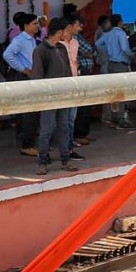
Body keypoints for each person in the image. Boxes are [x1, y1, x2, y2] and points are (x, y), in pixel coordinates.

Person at [31, 18, 79, 175]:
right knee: (47, 129)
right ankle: (42, 161)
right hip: (49, 97)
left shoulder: (61, 48)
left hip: (63, 95)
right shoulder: (40, 51)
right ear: (59, 32)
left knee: (64, 127)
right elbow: (37, 76)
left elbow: (67, 71)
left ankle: (65, 158)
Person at [4, 13, 40, 156]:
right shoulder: (20, 40)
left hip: (31, 76)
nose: (37, 26)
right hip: (24, 77)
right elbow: (7, 55)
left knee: (31, 112)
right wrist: (22, 69)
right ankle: (27, 144)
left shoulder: (32, 39)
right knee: (28, 112)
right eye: (34, 23)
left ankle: (28, 141)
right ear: (26, 26)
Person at [96, 14, 134, 129]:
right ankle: (121, 120)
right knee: (121, 93)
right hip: (120, 64)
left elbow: (98, 44)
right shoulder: (120, 33)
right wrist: (132, 56)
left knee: (114, 93)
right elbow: (125, 48)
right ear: (120, 22)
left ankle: (114, 118)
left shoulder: (107, 34)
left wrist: (108, 51)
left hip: (111, 64)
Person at [60, 15, 86, 162]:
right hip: (63, 85)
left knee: (71, 119)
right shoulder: (58, 44)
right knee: (62, 120)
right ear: (69, 27)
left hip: (75, 83)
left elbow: (75, 62)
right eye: (78, 25)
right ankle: (63, 150)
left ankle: (69, 148)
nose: (80, 28)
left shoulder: (75, 42)